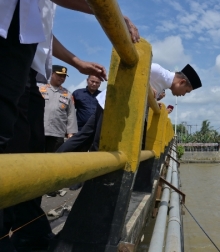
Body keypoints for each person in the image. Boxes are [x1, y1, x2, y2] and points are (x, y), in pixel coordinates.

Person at [0, 1, 140, 250]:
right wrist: (108, 11)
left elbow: (38, 30)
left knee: (28, 153)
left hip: (29, 64)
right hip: (7, 40)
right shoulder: (77, 92)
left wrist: (76, 61)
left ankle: (28, 229)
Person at [57, 62, 202, 153]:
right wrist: (145, 83)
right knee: (98, 144)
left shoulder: (164, 84)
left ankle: (61, 168)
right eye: (186, 91)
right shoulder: (158, 70)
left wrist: (153, 100)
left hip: (112, 106)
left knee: (84, 138)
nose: (184, 95)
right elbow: (130, 69)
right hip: (112, 105)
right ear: (182, 82)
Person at [39, 65, 78, 152]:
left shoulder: (68, 94)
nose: (62, 78)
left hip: (57, 133)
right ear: (52, 74)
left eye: (64, 76)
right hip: (39, 131)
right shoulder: (40, 89)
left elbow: (71, 115)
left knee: (53, 160)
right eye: (59, 75)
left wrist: (71, 133)